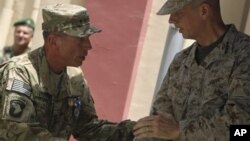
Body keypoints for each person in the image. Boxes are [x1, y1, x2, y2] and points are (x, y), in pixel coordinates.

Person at [0, 4, 135, 141]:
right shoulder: (20, 72)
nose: (88, 46)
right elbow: (18, 131)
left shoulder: (74, 77)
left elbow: (88, 128)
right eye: (81, 39)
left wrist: (135, 130)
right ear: (54, 41)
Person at [133, 0, 250, 140]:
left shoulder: (244, 55)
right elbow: (157, 123)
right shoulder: (181, 61)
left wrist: (180, 131)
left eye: (178, 13)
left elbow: (241, 129)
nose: (171, 20)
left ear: (204, 11)